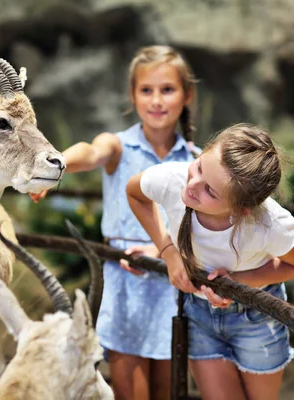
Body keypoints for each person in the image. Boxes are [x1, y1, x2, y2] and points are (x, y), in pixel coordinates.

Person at [30, 45, 200, 400]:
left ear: (187, 95)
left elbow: (199, 224)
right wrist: (57, 163)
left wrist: (161, 248)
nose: (156, 100)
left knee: (168, 389)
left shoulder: (196, 161)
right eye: (146, 90)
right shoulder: (118, 146)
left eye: (167, 89)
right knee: (129, 390)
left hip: (173, 283)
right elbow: (90, 152)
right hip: (126, 284)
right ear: (133, 96)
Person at [126, 123, 294, 400]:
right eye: (200, 167)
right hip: (200, 313)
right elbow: (135, 193)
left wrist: (239, 282)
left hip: (256, 318)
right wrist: (167, 251)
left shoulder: (268, 225)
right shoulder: (173, 178)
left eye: (211, 192)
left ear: (241, 209)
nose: (192, 186)